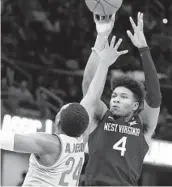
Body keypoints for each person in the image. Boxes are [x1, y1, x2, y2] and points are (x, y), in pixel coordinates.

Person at [82, 12, 161, 186]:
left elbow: (154, 97)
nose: (115, 100)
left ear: (135, 105)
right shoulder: (101, 116)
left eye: (123, 97)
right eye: (114, 96)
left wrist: (144, 50)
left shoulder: (144, 126)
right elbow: (89, 85)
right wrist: (102, 35)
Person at [0, 71, 107, 187]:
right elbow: (93, 95)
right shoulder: (82, 140)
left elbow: (5, 140)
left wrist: (104, 62)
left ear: (57, 121)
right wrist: (104, 62)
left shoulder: (49, 144)